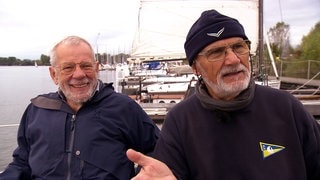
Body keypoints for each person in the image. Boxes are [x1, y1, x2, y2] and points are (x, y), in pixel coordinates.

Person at [126, 10, 320, 179]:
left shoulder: (285, 107)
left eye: (239, 47)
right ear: (195, 67)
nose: (233, 60)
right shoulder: (181, 121)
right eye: (216, 52)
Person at [0, 36, 160, 179]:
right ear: (53, 74)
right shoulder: (37, 110)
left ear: (97, 69)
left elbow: (158, 150)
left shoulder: (124, 108)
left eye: (86, 66)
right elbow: (22, 161)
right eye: (68, 67)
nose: (79, 74)